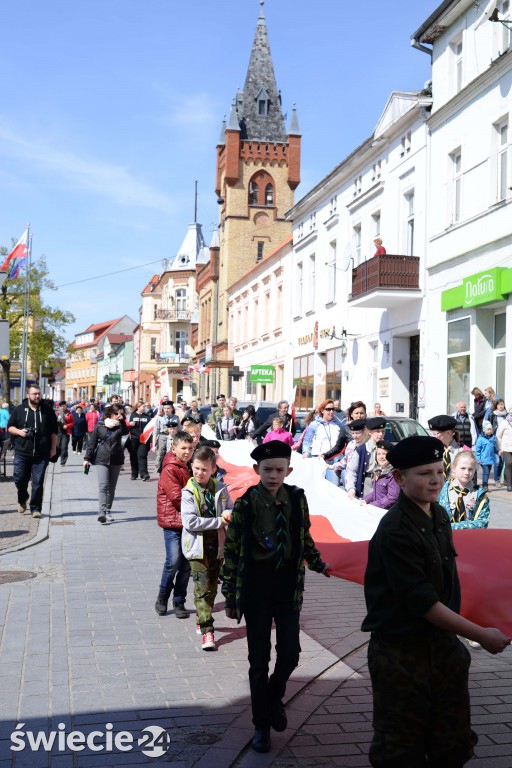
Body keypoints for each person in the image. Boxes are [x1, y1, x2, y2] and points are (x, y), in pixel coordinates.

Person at [362, 435, 510, 768]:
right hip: (402, 654)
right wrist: (482, 634)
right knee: (401, 751)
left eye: (439, 471)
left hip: (442, 650)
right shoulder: (396, 529)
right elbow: (423, 603)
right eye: (423, 473)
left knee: (452, 745)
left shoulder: (438, 515)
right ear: (399, 478)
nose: (435, 480)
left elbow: (446, 583)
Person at [221, 441, 330, 754]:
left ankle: (272, 697)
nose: (273, 475)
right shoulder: (246, 503)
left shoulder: (296, 499)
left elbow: (304, 538)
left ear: (289, 471)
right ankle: (261, 726)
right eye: (267, 470)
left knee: (291, 653)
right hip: (256, 587)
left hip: (287, 587)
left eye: (279, 470)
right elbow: (231, 550)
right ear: (257, 470)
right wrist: (230, 594)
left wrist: (321, 564)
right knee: (258, 660)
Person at [181, 445, 234, 650]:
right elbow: (191, 523)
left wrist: (229, 513)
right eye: (196, 468)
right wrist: (219, 521)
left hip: (217, 547)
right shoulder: (188, 492)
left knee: (212, 587)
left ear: (213, 469)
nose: (199, 473)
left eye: (204, 469)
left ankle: (202, 615)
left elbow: (229, 506)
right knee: (201, 588)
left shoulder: (221, 488)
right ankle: (207, 631)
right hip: (197, 548)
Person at [155, 431, 194, 618]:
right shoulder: (170, 468)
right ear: (174, 448)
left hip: (189, 523)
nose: (187, 451)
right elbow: (178, 498)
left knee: (186, 565)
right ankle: (163, 596)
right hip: (173, 522)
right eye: (183, 448)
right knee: (173, 561)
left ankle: (179, 601)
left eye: (190, 448)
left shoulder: (190, 467)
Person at [7, 385, 58, 518]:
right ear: (28, 395)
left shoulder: (47, 411)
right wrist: (19, 432)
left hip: (41, 454)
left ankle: (36, 508)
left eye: (39, 394)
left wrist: (53, 449)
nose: (37, 396)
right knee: (19, 479)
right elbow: (10, 427)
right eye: (34, 394)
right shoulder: (19, 410)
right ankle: (22, 498)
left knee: (38, 482)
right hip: (22, 452)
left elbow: (54, 432)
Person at [83, 405, 125, 525]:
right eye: (117, 414)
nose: (119, 416)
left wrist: (122, 421)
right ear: (111, 413)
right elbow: (92, 443)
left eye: (121, 414)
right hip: (101, 458)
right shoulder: (100, 426)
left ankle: (108, 510)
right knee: (103, 485)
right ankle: (102, 512)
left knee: (111, 487)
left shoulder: (121, 426)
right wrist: (87, 458)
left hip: (116, 459)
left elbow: (126, 432)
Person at [438, 451, 490, 530]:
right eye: (463, 468)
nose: (466, 473)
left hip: (469, 539)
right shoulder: (441, 490)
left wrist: (452, 527)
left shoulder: (480, 495)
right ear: (454, 468)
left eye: (470, 469)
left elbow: (482, 523)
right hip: (444, 539)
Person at [302, 399, 344, 485]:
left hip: (333, 459)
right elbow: (307, 440)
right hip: (318, 459)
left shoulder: (338, 424)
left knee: (333, 487)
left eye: (333, 409)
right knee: (317, 487)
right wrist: (306, 453)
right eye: (328, 409)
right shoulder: (314, 424)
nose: (331, 411)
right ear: (322, 410)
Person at [345, 417, 386, 499]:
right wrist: (351, 489)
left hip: (383, 487)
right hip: (367, 486)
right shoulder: (361, 450)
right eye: (377, 431)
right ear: (370, 432)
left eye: (383, 431)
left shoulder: (388, 448)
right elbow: (352, 470)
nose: (381, 434)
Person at [361, 440, 400, 510]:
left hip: (387, 513)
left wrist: (372, 505)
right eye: (379, 454)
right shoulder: (378, 471)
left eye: (384, 454)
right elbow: (376, 492)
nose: (381, 457)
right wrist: (365, 500)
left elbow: (392, 498)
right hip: (378, 510)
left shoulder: (393, 474)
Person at [428, 414, 461, 480]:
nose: (433, 437)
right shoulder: (430, 451)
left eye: (435, 434)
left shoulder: (462, 452)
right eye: (431, 433)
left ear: (448, 433)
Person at [127, 402, 152, 480]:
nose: (145, 408)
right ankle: (134, 473)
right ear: (138, 407)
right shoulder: (132, 415)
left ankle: (144, 474)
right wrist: (129, 424)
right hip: (133, 438)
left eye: (145, 406)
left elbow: (150, 428)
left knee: (142, 456)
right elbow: (125, 425)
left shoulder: (147, 417)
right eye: (143, 406)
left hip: (144, 439)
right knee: (133, 456)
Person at [153, 402, 179, 472]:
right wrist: (153, 445)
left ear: (172, 409)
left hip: (173, 437)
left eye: (168, 408)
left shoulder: (176, 418)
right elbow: (155, 432)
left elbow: (179, 429)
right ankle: (160, 471)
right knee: (160, 454)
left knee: (172, 453)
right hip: (162, 436)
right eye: (165, 408)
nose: (166, 410)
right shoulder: (160, 418)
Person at [474, 421, 497, 491]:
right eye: (488, 429)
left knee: (488, 472)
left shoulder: (493, 438)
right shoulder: (480, 439)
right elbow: (477, 450)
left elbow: (494, 448)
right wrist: (479, 459)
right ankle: (485, 485)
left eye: (491, 429)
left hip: (490, 459)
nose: (490, 431)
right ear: (484, 430)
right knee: (486, 472)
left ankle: (485, 484)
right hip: (483, 459)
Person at [496, 409, 512, 492]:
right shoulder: (504, 422)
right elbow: (498, 435)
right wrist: (500, 447)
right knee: (509, 463)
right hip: (506, 447)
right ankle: (508, 483)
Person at [56, 400, 74, 466]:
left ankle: (63, 461)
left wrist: (67, 426)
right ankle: (57, 457)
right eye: (61, 406)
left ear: (66, 406)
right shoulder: (57, 413)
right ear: (59, 407)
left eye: (64, 406)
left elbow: (72, 423)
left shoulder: (69, 414)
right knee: (57, 446)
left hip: (66, 433)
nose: (63, 407)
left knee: (64, 447)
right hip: (58, 432)